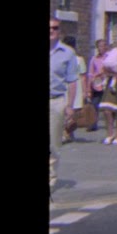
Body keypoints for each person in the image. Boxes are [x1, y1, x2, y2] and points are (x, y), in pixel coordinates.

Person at [49, 19, 79, 193]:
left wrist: (70, 106)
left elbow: (72, 81)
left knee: (53, 143)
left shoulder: (68, 53)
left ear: (59, 31)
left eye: (54, 28)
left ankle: (51, 178)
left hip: (56, 100)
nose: (51, 30)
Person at [61, 36, 90, 143]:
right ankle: (66, 132)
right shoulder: (63, 59)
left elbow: (83, 76)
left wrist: (85, 91)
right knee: (68, 112)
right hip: (69, 87)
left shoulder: (78, 59)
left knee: (73, 113)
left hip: (74, 87)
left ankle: (68, 132)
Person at [87, 39, 110, 131]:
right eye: (100, 46)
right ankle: (92, 124)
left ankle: (109, 124)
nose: (102, 48)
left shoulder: (109, 57)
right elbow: (90, 73)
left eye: (104, 45)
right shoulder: (94, 58)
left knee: (107, 106)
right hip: (97, 84)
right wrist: (88, 88)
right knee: (94, 105)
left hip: (107, 83)